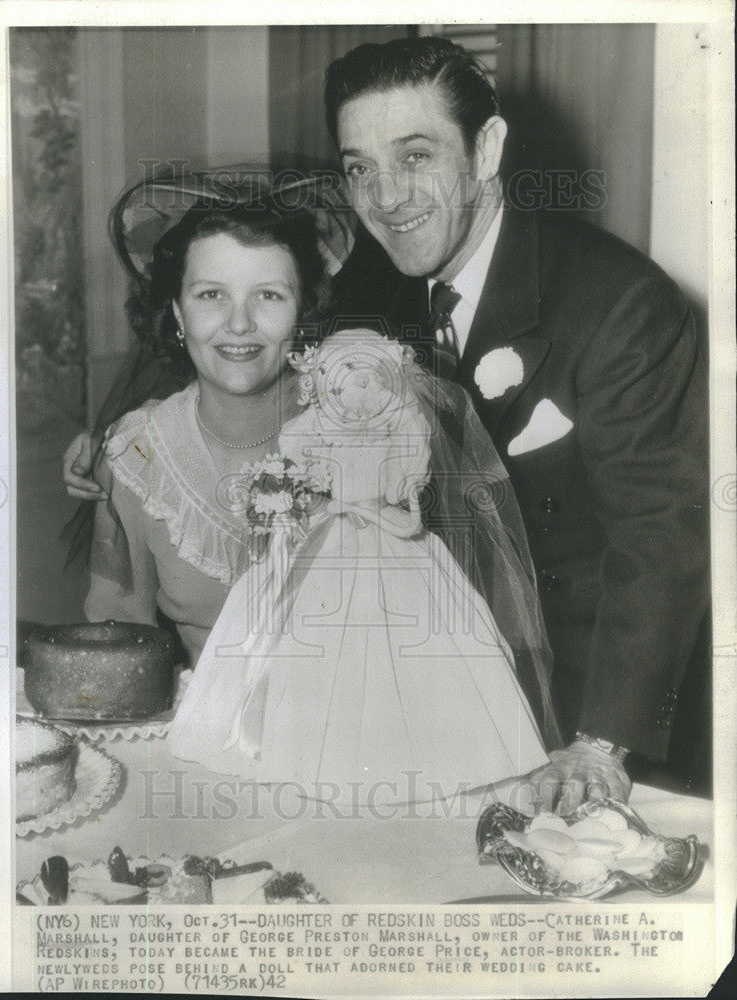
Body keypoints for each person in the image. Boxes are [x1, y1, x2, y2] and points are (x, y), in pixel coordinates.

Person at [65, 35, 710, 808]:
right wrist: (116, 438)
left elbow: (663, 534)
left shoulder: (619, 302)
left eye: (414, 156)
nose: (386, 198)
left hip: (587, 710)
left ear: (487, 148)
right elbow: (238, 344)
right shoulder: (375, 282)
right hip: (418, 703)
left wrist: (602, 744)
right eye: (358, 168)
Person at [169, 328, 559, 799]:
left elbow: (408, 518)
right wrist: (303, 510)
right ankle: (298, 751)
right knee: (304, 640)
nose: (360, 393)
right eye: (347, 382)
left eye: (371, 382)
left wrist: (377, 511)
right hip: (324, 544)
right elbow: (308, 497)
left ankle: (415, 761)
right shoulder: (306, 433)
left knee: (418, 646)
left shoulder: (403, 434)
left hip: (393, 552)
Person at [84, 196, 332, 668]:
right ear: (178, 314)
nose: (239, 324)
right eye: (211, 294)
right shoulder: (137, 456)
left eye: (269, 295)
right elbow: (119, 644)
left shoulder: (356, 429)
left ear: (302, 312)